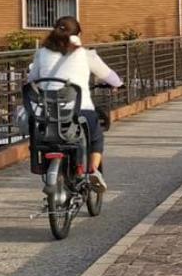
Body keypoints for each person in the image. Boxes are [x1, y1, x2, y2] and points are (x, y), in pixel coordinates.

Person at [26, 15, 124, 189]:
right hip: (80, 110)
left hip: (47, 113)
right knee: (96, 137)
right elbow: (113, 78)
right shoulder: (85, 55)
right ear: (77, 35)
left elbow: (31, 79)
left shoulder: (41, 53)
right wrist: (118, 84)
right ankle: (93, 171)